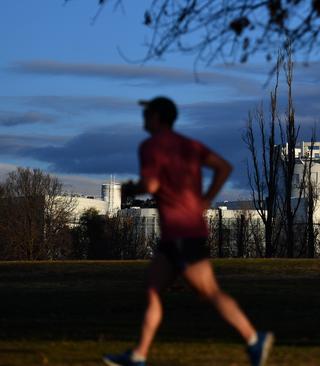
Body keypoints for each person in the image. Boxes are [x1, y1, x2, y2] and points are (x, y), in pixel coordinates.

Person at [102, 96, 273, 366]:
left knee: (209, 293)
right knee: (153, 289)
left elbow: (152, 183)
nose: (143, 119)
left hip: (183, 233)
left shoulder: (151, 146)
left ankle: (253, 339)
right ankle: (138, 355)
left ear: (158, 117)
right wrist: (206, 199)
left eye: (147, 114)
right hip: (179, 233)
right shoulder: (189, 145)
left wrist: (132, 189)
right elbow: (224, 167)